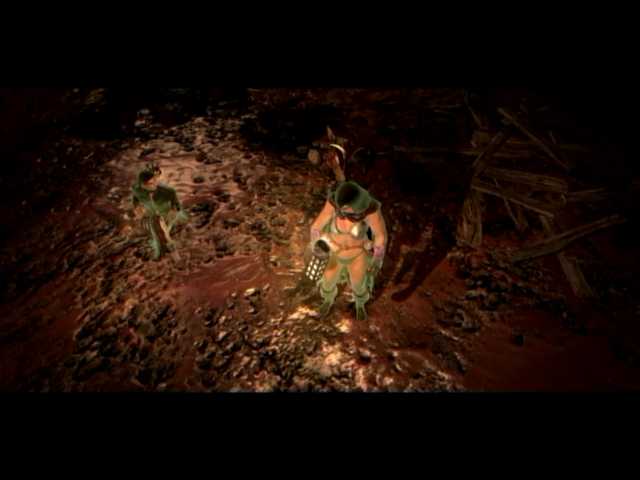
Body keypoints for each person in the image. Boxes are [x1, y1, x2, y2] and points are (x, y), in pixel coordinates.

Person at [309, 180, 387, 320]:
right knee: (327, 282)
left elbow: (380, 235)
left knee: (358, 285)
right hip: (335, 252)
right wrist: (320, 245)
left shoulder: (370, 210)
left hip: (357, 254)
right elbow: (316, 228)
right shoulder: (333, 204)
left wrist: (378, 258)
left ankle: (360, 304)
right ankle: (327, 301)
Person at [131, 162, 188, 260]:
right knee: (159, 235)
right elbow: (135, 198)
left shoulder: (168, 191)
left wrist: (173, 212)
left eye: (154, 181)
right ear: (143, 185)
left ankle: (176, 256)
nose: (154, 184)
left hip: (168, 214)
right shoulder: (137, 190)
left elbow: (176, 205)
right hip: (153, 216)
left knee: (166, 234)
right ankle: (163, 253)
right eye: (150, 183)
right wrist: (137, 208)